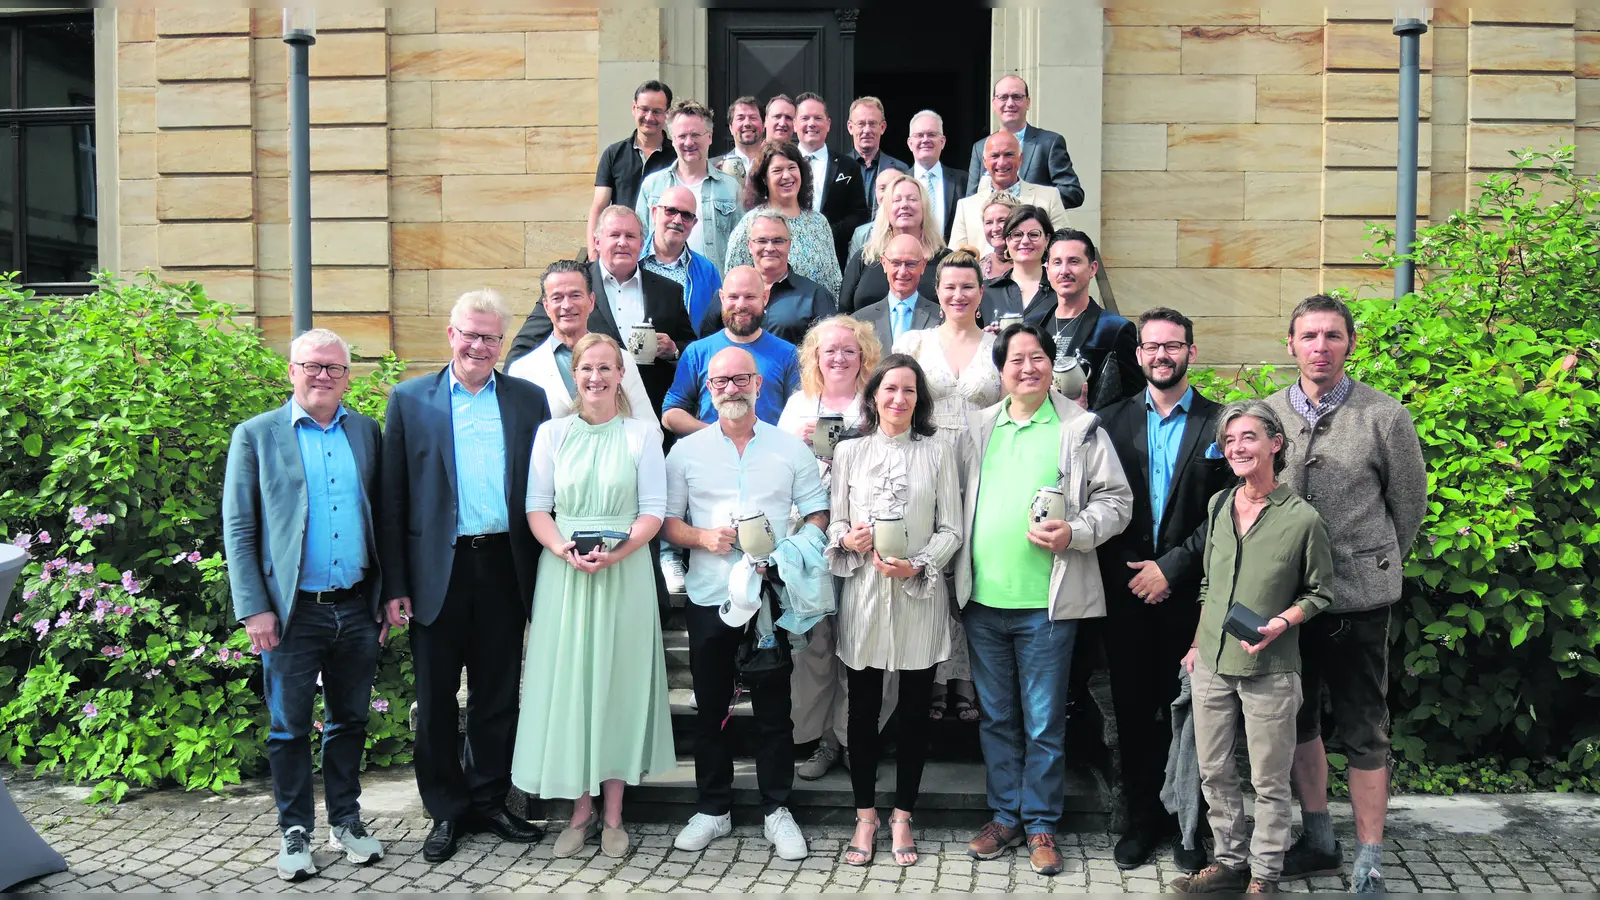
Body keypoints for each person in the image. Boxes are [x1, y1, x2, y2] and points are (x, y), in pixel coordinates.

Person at [378, 290, 552, 863]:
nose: (480, 345)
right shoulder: (411, 401)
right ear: (451, 335)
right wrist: (395, 585)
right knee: (433, 699)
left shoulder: (528, 401)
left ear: (503, 342)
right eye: (470, 334)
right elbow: (393, 500)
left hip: (505, 563)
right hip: (437, 570)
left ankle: (489, 800)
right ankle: (446, 811)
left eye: (491, 337)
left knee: (497, 693)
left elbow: (546, 490)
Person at [955, 324, 1133, 877]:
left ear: (1051, 365)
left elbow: (1117, 501)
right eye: (1016, 360)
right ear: (1001, 369)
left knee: (1042, 721)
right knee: (997, 717)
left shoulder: (1079, 428)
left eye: (1037, 358)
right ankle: (1005, 816)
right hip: (983, 600)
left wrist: (1076, 531)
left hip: (1048, 606)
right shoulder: (978, 427)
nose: (1027, 368)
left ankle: (1040, 825)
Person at [1265, 294, 1427, 893]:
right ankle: (1318, 837)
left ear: (1349, 344)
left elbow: (1408, 507)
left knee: (1365, 725)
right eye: (1308, 336)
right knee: (1298, 719)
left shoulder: (1385, 417)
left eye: (1332, 336)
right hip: (1287, 604)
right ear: (1291, 345)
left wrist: (1375, 564)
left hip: (1360, 600)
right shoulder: (1265, 413)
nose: (1320, 347)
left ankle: (1369, 855)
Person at [223, 328, 386, 882]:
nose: (323, 376)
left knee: (350, 720)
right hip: (291, 613)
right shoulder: (257, 435)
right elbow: (240, 529)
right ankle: (295, 831)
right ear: (291, 370)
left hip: (357, 607)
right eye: (312, 366)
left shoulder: (366, 431)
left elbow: (382, 521)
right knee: (289, 728)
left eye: (334, 368)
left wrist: (385, 601)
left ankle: (346, 820)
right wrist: (254, 609)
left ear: (347, 377)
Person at [663, 346, 831, 861]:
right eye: (720, 382)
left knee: (775, 708)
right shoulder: (686, 453)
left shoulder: (788, 448)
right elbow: (666, 523)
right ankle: (714, 808)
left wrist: (788, 549)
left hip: (770, 596)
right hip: (711, 594)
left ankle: (776, 809)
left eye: (741, 379)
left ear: (759, 384)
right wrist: (702, 538)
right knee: (712, 706)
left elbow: (819, 513)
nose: (731, 389)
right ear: (707, 390)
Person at [511, 333, 675, 860]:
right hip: (565, 575)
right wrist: (562, 548)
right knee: (573, 687)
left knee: (616, 687)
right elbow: (537, 507)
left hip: (623, 573)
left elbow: (653, 509)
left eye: (607, 368)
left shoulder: (641, 435)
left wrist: (618, 552)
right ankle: (579, 812)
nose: (597, 378)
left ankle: (613, 814)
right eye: (587, 369)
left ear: (620, 375)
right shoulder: (551, 434)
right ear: (574, 375)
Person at [1169, 402, 1334, 895]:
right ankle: (1229, 862)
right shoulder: (1220, 505)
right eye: (1231, 440)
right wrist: (1197, 644)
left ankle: (1265, 875)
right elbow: (1208, 586)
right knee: (1214, 770)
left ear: (1275, 444)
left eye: (1249, 437)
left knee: (1268, 779)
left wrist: (1281, 623)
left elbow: (1322, 593)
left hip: (1271, 667)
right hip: (1212, 663)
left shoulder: (1303, 519)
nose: (1238, 448)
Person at [1093, 308, 1230, 874]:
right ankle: (1142, 818)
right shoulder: (1107, 422)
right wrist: (1136, 573)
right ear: (1139, 354)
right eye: (1151, 347)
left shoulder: (1221, 425)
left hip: (1194, 593)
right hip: (1125, 593)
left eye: (1172, 346)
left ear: (1191, 353)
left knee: (1196, 713)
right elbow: (1098, 502)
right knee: (1131, 709)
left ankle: (1188, 826)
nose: (1160, 356)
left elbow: (1227, 512)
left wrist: (1171, 567)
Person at [827, 356, 963, 869]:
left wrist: (920, 564)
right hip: (864, 597)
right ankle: (865, 814)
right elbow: (835, 521)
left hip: (917, 597)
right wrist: (848, 538)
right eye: (890, 389)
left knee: (912, 716)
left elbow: (952, 528)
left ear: (919, 399)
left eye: (909, 390)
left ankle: (903, 813)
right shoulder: (850, 453)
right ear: (874, 396)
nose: (899, 399)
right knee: (861, 713)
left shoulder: (938, 452)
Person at [892, 249, 999, 724]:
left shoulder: (1000, 345)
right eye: (949, 286)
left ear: (982, 292)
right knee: (932, 569)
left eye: (968, 286)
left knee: (971, 573)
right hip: (927, 465)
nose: (958, 294)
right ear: (937, 290)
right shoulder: (914, 341)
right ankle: (934, 678)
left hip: (984, 466)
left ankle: (967, 679)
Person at [778, 316, 886, 782]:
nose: (839, 357)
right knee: (817, 644)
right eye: (829, 350)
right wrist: (801, 446)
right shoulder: (798, 404)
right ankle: (823, 738)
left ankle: (855, 736)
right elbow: (776, 469)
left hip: (863, 536)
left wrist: (855, 442)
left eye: (848, 349)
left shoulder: (877, 402)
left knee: (861, 640)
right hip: (811, 541)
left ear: (863, 355)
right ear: (815, 359)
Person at [505, 206, 696, 422]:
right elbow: (522, 352)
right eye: (614, 235)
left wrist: (673, 350)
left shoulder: (669, 291)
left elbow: (692, 349)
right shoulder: (571, 286)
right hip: (581, 417)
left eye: (630, 236)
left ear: (642, 244)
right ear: (597, 242)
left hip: (650, 415)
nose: (622, 242)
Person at [507, 259, 660, 443]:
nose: (567, 305)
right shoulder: (523, 370)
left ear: (591, 301)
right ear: (546, 306)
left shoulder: (622, 360)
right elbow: (519, 441)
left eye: (575, 295)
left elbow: (651, 431)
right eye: (557, 298)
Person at [663, 266, 801, 433]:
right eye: (733, 297)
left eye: (749, 297)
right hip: (713, 454)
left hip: (769, 454)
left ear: (765, 297)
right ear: (722, 298)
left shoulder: (788, 354)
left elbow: (799, 413)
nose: (741, 305)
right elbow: (671, 413)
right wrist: (714, 433)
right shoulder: (697, 352)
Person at [1030, 228, 1144, 412]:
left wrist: (1087, 415)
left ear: (1092, 268)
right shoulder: (1032, 326)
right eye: (1057, 262)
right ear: (1048, 270)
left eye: (1074, 262)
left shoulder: (1115, 329)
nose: (1064, 271)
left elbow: (1135, 400)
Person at [636, 100, 743, 275]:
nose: (688, 142)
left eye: (695, 135)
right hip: (660, 286)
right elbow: (640, 240)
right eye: (682, 136)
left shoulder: (731, 188)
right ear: (672, 140)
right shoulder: (652, 186)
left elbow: (742, 246)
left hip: (715, 290)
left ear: (709, 137)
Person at [724, 140, 843, 297]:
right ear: (764, 179)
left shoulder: (819, 223)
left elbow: (834, 282)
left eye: (792, 168)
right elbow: (733, 284)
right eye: (777, 170)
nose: (787, 176)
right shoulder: (750, 224)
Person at [698, 211, 836, 344]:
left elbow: (829, 347)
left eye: (778, 241)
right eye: (762, 240)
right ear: (750, 246)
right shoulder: (729, 294)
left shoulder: (815, 296)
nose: (769, 248)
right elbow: (707, 346)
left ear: (789, 245)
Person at [963, 74, 1084, 210]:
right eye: (1003, 97)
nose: (1010, 103)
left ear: (1028, 102)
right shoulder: (980, 147)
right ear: (994, 103)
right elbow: (971, 200)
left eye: (1017, 97)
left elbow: (1073, 192)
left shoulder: (1049, 143)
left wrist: (1026, 201)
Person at [838, 170, 948, 314]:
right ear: (886, 210)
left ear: (924, 208)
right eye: (897, 200)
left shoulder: (945, 260)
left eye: (912, 199)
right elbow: (843, 312)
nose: (904, 205)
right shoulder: (865, 257)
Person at [588, 80, 676, 259]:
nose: (649, 117)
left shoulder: (677, 156)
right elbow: (599, 206)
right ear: (634, 108)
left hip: (661, 253)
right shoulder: (614, 154)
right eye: (644, 109)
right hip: (621, 250)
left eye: (657, 111)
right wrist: (593, 252)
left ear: (667, 114)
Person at [949, 132, 1068, 253]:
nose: (1001, 162)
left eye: (1009, 155)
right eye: (995, 156)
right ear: (984, 162)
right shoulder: (966, 206)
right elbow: (956, 258)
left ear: (1020, 159)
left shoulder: (1049, 197)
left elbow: (1063, 247)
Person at [794, 92, 870, 266]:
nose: (811, 124)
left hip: (833, 259)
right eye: (805, 118)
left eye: (818, 118)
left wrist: (827, 232)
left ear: (828, 124)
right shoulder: (781, 163)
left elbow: (859, 214)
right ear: (794, 124)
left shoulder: (848, 166)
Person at [639, 186, 724, 334]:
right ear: (654, 213)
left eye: (686, 215)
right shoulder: (631, 261)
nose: (677, 220)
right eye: (670, 211)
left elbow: (717, 329)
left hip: (687, 356)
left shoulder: (707, 272)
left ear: (694, 223)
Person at [853, 233, 942, 354]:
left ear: (923, 266)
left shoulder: (941, 318)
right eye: (896, 263)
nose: (902, 271)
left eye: (910, 264)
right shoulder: (860, 320)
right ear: (884, 263)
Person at [979, 205, 1052, 324]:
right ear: (1007, 240)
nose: (1025, 241)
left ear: (1047, 239)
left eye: (1034, 234)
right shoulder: (986, 291)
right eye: (1017, 235)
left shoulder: (1060, 289)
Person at [907, 109, 968, 240]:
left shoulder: (963, 181)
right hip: (910, 258)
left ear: (942, 142)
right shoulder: (899, 183)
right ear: (910, 143)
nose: (925, 140)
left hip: (951, 258)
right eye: (919, 135)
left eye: (931, 134)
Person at [845, 96, 910, 216]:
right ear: (850, 127)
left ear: (883, 127)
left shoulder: (901, 169)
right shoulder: (839, 167)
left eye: (872, 123)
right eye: (861, 124)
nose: (867, 130)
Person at [712, 95, 765, 182]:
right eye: (741, 118)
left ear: (763, 125)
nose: (747, 123)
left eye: (753, 118)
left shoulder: (775, 164)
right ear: (731, 128)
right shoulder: (712, 168)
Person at [975, 192, 1020, 281]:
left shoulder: (1030, 262)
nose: (995, 228)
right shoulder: (980, 267)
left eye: (1002, 220)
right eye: (989, 222)